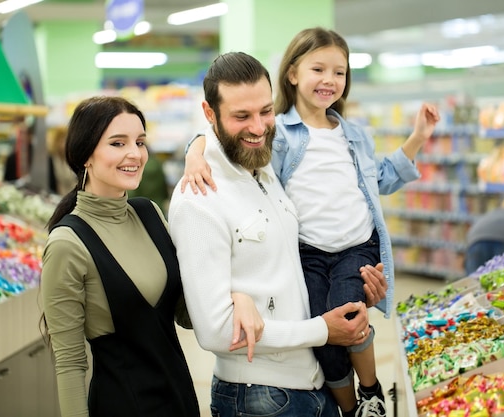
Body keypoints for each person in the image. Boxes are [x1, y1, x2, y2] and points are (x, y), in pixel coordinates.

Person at [181, 28, 440, 417]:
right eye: (318, 68)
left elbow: (381, 177)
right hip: (304, 276)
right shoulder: (274, 140)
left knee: (349, 316)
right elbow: (226, 140)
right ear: (292, 73)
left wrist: (418, 138)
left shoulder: (341, 139)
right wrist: (195, 149)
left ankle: (369, 393)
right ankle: (353, 406)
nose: (330, 79)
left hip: (353, 255)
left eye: (340, 72)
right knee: (330, 335)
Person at [40, 96, 203, 417]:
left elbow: (185, 315)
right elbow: (70, 363)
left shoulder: (150, 214)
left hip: (180, 401)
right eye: (118, 143)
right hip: (123, 405)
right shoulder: (68, 243)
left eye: (140, 142)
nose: (135, 154)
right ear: (85, 155)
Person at [46, 125, 77, 195]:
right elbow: (51, 183)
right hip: (57, 197)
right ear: (56, 141)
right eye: (62, 140)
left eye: (67, 140)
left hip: (73, 196)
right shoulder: (52, 159)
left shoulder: (72, 158)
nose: (65, 143)